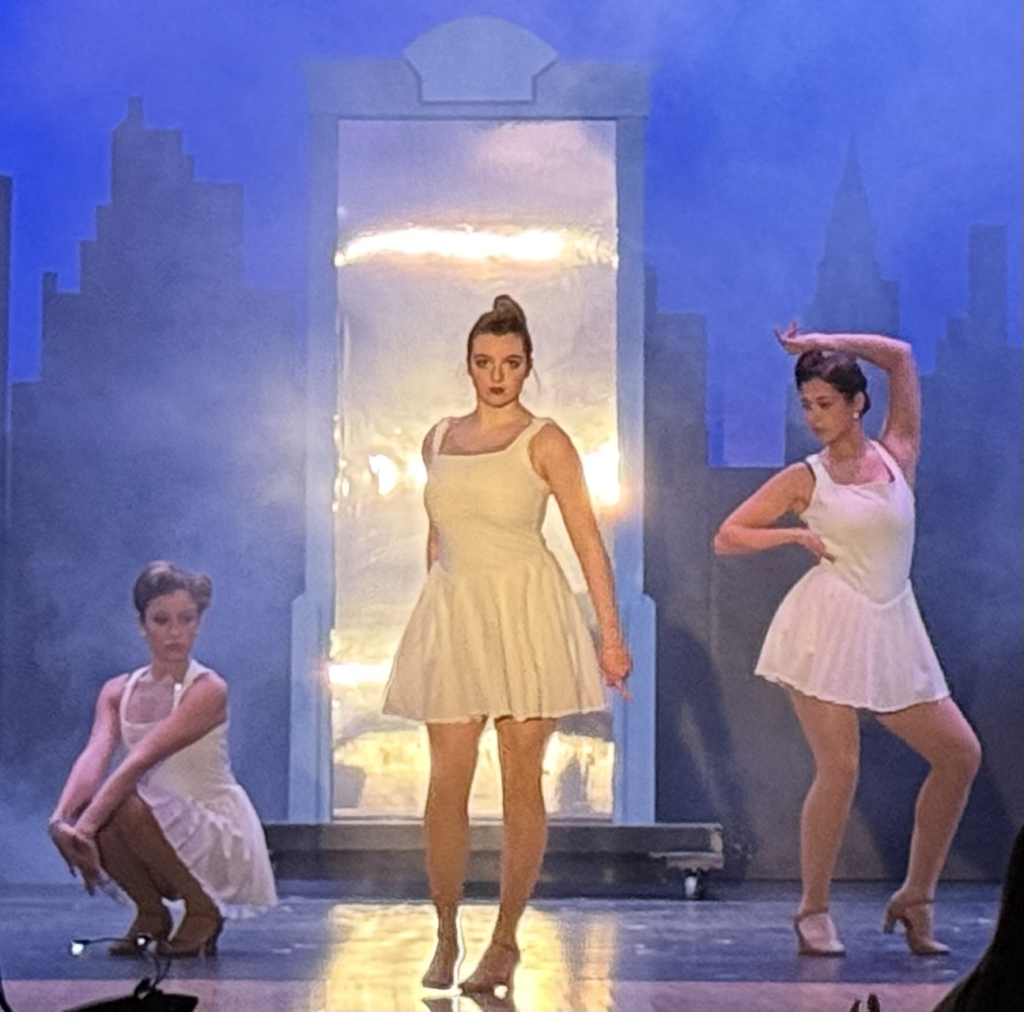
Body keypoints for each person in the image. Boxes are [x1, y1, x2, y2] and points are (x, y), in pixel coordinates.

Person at [382, 295, 632, 996]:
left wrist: (611, 638)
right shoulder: (437, 438)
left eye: (511, 363)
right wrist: (436, 607)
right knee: (447, 782)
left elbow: (587, 540)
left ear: (528, 368)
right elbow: (438, 533)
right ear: (468, 365)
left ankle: (504, 941)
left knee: (522, 779)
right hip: (456, 610)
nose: (497, 375)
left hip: (526, 610)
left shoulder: (545, 441)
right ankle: (445, 929)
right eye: (485, 362)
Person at [714, 324, 981, 957]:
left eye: (825, 403)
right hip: (827, 626)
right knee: (840, 768)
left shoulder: (897, 453)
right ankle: (812, 909)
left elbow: (901, 356)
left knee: (959, 755)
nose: (813, 416)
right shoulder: (805, 478)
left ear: (857, 403)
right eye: (806, 404)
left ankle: (916, 897)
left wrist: (822, 337)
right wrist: (792, 536)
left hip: (892, 624)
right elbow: (727, 535)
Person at [47, 561, 277, 957]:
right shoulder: (118, 691)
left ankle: (203, 908)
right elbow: (95, 754)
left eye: (186, 619)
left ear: (198, 623)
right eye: (161, 620)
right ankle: (151, 911)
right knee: (103, 805)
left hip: (212, 828)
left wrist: (84, 829)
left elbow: (140, 760)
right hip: (153, 822)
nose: (174, 632)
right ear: (142, 624)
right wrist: (61, 820)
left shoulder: (207, 689)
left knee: (121, 803)